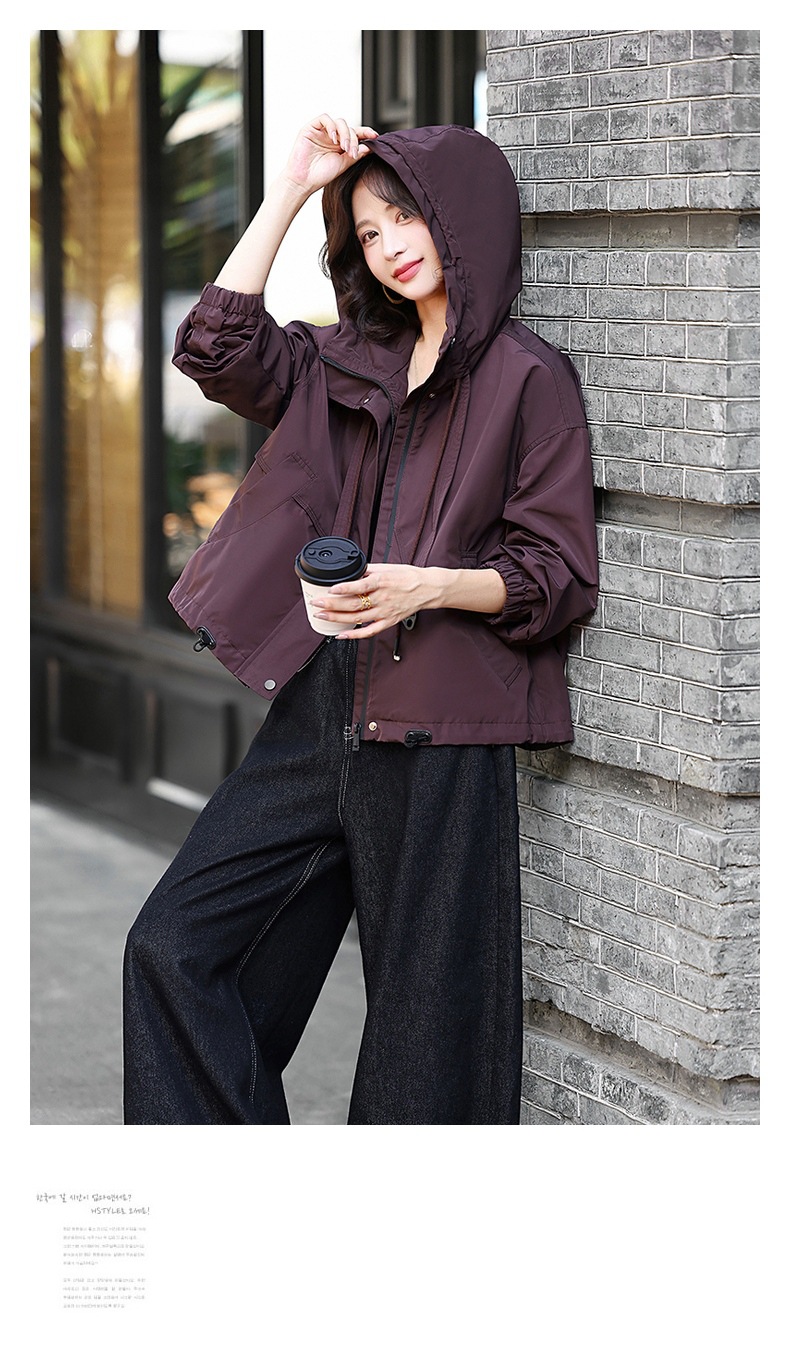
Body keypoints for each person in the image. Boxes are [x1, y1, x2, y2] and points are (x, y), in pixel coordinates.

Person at [123, 114, 598, 1125]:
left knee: (422, 1051)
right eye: (368, 231)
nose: (388, 246)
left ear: (460, 217)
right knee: (175, 950)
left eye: (404, 217)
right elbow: (213, 345)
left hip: (442, 729)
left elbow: (556, 575)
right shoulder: (346, 360)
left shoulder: (529, 378)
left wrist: (425, 586)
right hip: (318, 708)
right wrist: (293, 190)